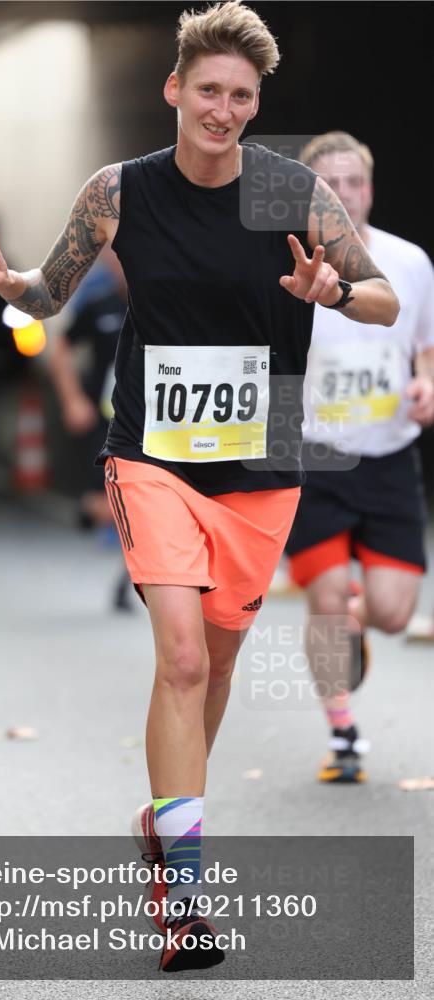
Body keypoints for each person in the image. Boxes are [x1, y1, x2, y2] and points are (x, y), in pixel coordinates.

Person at [0, 1, 399, 972]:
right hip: (151, 456)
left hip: (260, 466)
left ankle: (165, 821)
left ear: (254, 103)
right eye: (208, 91)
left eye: (240, 95)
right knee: (184, 661)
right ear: (173, 90)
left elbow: (382, 299)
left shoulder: (291, 191)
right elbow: (49, 292)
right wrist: (5, 280)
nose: (222, 110)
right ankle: (183, 895)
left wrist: (329, 291)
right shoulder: (119, 191)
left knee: (219, 665)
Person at [284, 132, 434, 784]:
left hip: (389, 454)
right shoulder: (286, 267)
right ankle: (342, 733)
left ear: (370, 189)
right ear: (309, 196)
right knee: (323, 599)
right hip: (315, 458)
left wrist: (426, 382)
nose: (344, 194)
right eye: (330, 185)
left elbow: (424, 345)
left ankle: (354, 618)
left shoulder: (409, 262)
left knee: (394, 613)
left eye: (354, 182)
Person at [49, 245, 133, 609]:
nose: (122, 263)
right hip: (106, 424)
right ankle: (93, 513)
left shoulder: (170, 305)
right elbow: (60, 348)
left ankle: (133, 573)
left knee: (145, 500)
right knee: (102, 505)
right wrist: (72, 400)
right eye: (115, 256)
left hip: (155, 424)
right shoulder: (99, 305)